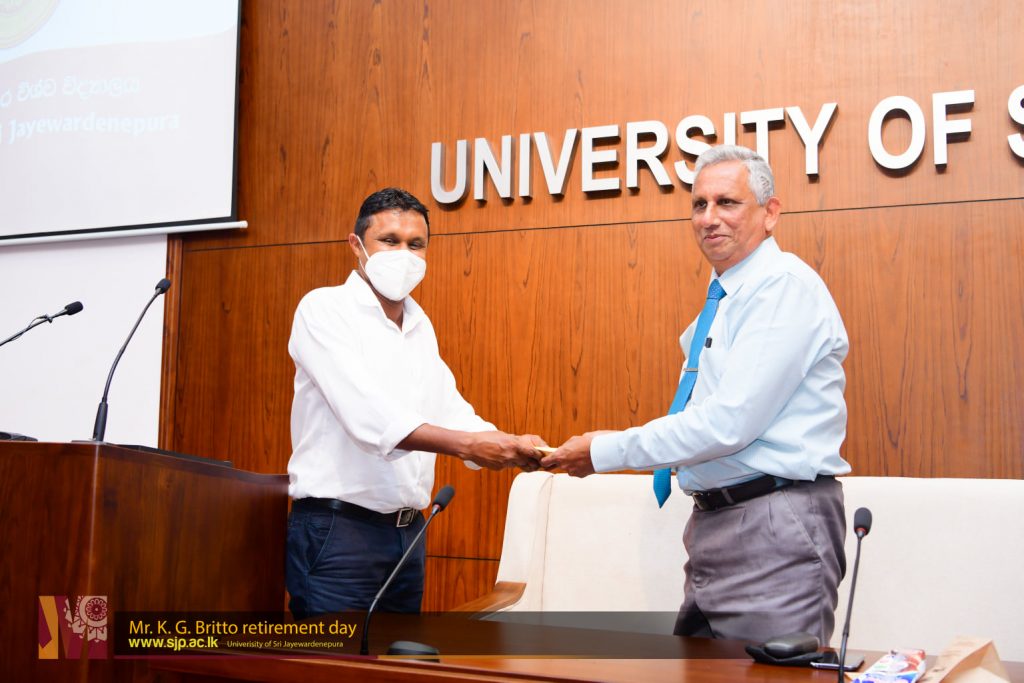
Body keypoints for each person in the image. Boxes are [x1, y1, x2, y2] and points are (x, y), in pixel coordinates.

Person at [541, 145, 850, 644]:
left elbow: (729, 424)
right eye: (699, 204)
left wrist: (604, 451)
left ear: (770, 213)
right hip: (716, 522)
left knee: (767, 679)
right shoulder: (726, 295)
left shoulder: (783, 287)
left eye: (727, 202)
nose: (709, 218)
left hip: (774, 522)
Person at [286, 187, 544, 619]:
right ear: (357, 245)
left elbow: (449, 408)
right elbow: (367, 417)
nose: (403, 254)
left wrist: (511, 444)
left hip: (408, 535)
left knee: (398, 657)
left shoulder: (419, 324)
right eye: (389, 241)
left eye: (416, 244)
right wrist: (469, 446)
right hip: (338, 531)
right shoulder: (324, 309)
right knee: (335, 657)